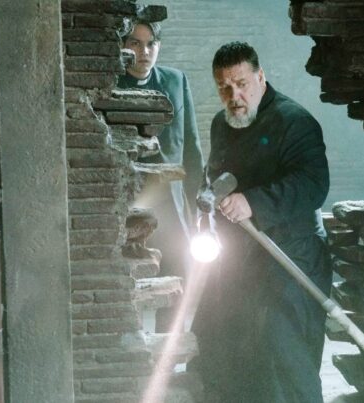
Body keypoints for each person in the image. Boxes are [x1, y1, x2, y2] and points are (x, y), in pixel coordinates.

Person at [189, 41, 332, 403]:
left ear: (261, 77)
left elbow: (314, 184)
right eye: (224, 87)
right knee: (222, 343)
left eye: (241, 84)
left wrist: (253, 202)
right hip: (241, 257)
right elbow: (215, 176)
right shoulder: (222, 123)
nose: (234, 96)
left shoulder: (294, 121)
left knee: (283, 355)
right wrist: (209, 200)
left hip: (293, 255)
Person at [117, 21, 204, 332]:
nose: (144, 51)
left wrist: (196, 203)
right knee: (128, 282)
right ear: (122, 47)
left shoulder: (176, 80)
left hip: (171, 205)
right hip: (129, 205)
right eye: (135, 43)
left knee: (176, 279)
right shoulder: (109, 83)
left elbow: (191, 145)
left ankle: (167, 347)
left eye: (151, 43)